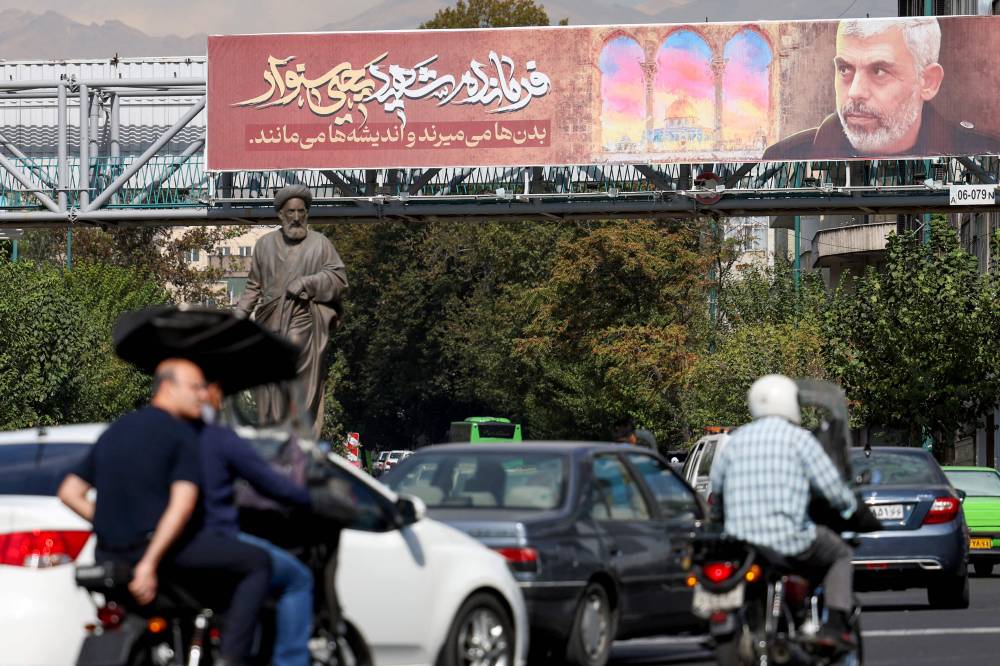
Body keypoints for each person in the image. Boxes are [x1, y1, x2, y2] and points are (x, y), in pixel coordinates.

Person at [58, 359, 271, 666]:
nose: (202, 395)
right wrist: (149, 562)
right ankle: (230, 659)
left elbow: (69, 492)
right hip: (160, 557)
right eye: (195, 387)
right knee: (257, 562)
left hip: (109, 557)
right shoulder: (180, 434)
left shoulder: (117, 430)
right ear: (168, 387)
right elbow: (182, 505)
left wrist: (110, 523)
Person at [708, 374, 858, 650]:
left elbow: (716, 492)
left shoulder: (735, 441)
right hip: (787, 540)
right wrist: (850, 505)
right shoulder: (800, 440)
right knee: (841, 554)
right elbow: (832, 489)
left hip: (741, 543)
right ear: (790, 403)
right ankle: (835, 626)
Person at [762, 17, 1000, 161]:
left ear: (928, 81)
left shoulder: (986, 153)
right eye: (845, 69)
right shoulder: (783, 158)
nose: (855, 91)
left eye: (878, 71)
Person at [198, 381, 316, 666]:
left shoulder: (165, 434)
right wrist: (304, 497)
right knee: (298, 579)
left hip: (165, 543)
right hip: (216, 538)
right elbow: (268, 481)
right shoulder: (217, 438)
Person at [235, 184, 349, 437]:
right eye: (290, 212)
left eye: (301, 211)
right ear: (281, 215)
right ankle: (276, 430)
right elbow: (253, 287)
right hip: (269, 321)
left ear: (307, 213)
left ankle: (296, 427)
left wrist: (308, 283)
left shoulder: (321, 244)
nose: (296, 217)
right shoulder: (264, 245)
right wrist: (235, 320)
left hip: (303, 320)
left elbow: (339, 279)